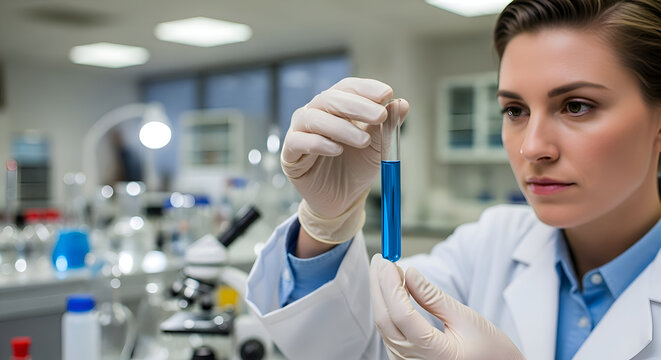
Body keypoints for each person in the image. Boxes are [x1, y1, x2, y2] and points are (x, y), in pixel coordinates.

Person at [245, 0, 661, 359]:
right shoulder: (490, 245)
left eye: (577, 106)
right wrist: (325, 225)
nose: (532, 147)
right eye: (515, 110)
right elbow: (355, 346)